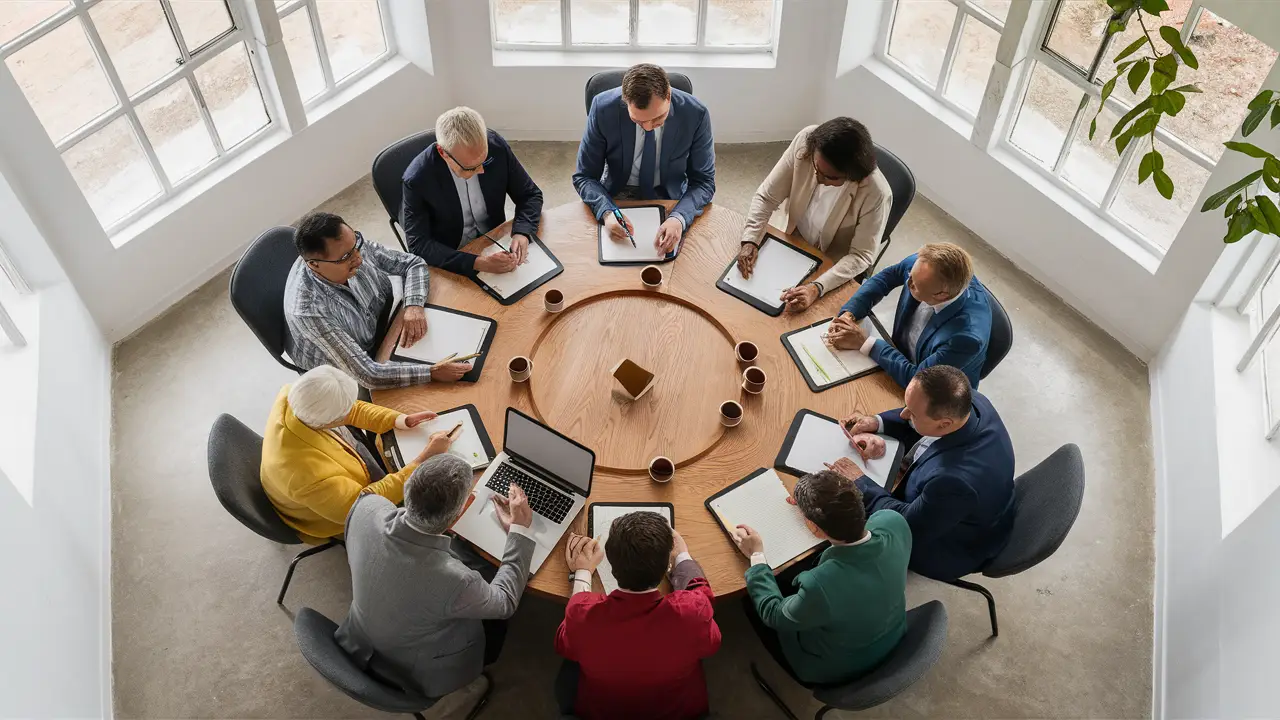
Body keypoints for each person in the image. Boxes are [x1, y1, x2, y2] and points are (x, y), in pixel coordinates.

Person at [336, 454, 536, 699]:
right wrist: (519, 530)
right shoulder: (458, 581)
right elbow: (504, 602)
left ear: (408, 488)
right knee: (499, 609)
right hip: (416, 672)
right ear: (458, 514)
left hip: (359, 634)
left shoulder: (367, 507)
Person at [730, 470, 911, 686]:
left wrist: (757, 556)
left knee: (750, 601)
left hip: (834, 666)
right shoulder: (893, 521)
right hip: (892, 632)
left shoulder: (820, 585)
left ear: (814, 527)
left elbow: (775, 614)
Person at [838, 365, 1015, 581]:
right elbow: (919, 414)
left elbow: (903, 524)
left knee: (835, 517)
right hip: (959, 508)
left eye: (912, 414)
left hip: (947, 545)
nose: (903, 414)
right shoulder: (967, 401)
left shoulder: (954, 481)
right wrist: (877, 422)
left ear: (944, 424)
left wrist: (859, 481)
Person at [260, 365, 455, 543]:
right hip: (338, 515)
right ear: (328, 422)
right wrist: (425, 461)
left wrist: (400, 420)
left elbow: (351, 410)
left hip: (332, 482)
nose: (351, 411)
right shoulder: (307, 475)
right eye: (343, 414)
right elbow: (363, 504)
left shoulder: (296, 396)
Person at [554, 513, 721, 720]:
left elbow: (564, 644)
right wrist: (683, 557)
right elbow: (711, 643)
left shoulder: (582, 613)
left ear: (613, 568)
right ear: (664, 568)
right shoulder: (693, 612)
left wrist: (582, 572)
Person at [283, 211, 470, 389]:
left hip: (382, 329)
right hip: (341, 374)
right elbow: (367, 375)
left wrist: (413, 306)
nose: (358, 258)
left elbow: (413, 264)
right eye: (346, 257)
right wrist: (431, 373)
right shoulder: (307, 310)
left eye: (356, 245)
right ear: (314, 264)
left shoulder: (350, 247)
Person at [737, 118, 892, 313]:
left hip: (831, 264)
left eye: (829, 177)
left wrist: (816, 288)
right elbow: (767, 197)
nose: (817, 178)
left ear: (852, 177)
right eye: (816, 168)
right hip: (791, 240)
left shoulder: (876, 193)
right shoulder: (806, 142)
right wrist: (750, 240)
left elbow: (861, 255)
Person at [573, 63, 716, 254]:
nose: (648, 128)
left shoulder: (696, 114)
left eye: (658, 118)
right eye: (638, 121)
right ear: (625, 102)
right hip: (617, 195)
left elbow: (704, 182)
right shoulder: (602, 108)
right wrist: (607, 212)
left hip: (670, 196)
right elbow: (584, 176)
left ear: (669, 96)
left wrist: (679, 218)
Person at [826, 242, 992, 388]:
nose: (907, 282)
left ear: (941, 295)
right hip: (896, 356)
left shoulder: (966, 338)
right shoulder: (925, 266)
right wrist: (850, 314)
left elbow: (918, 380)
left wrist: (865, 343)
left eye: (915, 285)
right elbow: (886, 277)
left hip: (933, 392)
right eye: (910, 276)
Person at [401, 106, 544, 275]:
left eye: (484, 161)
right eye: (470, 167)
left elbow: (530, 194)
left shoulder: (496, 147)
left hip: (496, 238)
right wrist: (478, 263)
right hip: (452, 254)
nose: (481, 171)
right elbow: (419, 244)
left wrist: (522, 232)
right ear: (443, 153)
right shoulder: (417, 179)